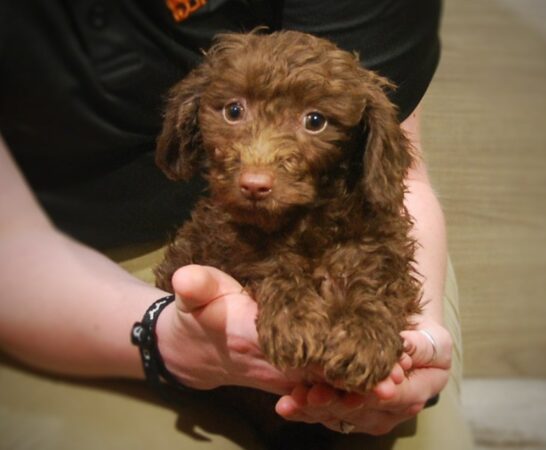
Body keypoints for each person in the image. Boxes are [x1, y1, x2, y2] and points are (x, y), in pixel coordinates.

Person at [0, 1, 473, 448]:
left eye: (312, 121)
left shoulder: (370, 144)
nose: (257, 168)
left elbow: (395, 184)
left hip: (345, 234)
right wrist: (164, 336)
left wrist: (417, 336)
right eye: (233, 112)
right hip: (58, 270)